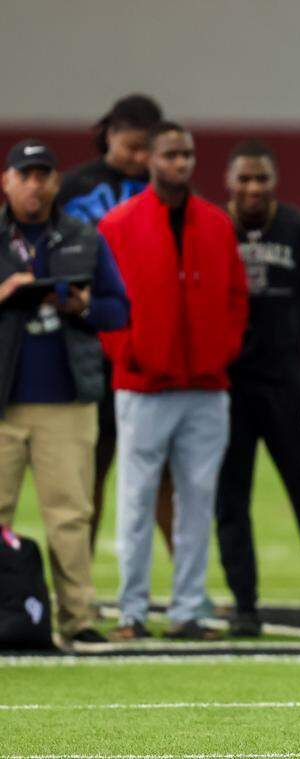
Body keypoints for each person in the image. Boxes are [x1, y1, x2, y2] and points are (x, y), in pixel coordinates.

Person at [98, 122, 249, 641]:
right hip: (142, 386)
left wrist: (220, 353)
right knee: (136, 500)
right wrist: (131, 355)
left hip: (205, 387)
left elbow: (234, 298)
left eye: (186, 154)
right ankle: (131, 611)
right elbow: (106, 303)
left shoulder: (216, 223)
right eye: (170, 154)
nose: (180, 163)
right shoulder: (118, 225)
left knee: (197, 501)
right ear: (151, 161)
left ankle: (187, 609)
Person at [0, 139, 129, 646]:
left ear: (56, 182)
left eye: (43, 175)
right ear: (6, 181)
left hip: (67, 398)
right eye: (25, 174)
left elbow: (120, 309)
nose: (35, 184)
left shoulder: (83, 236)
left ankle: (79, 618)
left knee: (70, 514)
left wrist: (85, 307)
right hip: (3, 400)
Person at [215, 141, 300, 637]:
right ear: (229, 181)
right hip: (229, 383)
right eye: (244, 179)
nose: (252, 188)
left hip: (286, 380)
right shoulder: (214, 227)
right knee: (231, 497)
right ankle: (244, 604)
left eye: (261, 179)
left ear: (274, 181)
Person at [56, 94, 173, 556]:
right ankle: (79, 587)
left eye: (148, 149)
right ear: (109, 136)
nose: (139, 159)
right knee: (90, 470)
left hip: (148, 343)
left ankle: (188, 589)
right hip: (90, 346)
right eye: (131, 147)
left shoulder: (165, 188)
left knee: (163, 472)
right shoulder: (73, 188)